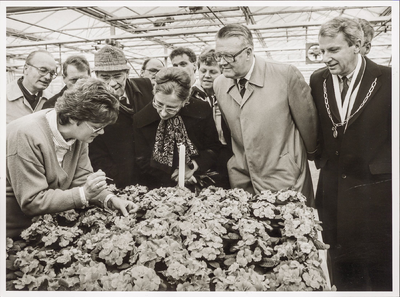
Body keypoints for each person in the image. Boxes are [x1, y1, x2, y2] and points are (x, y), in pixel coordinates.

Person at [309, 17, 392, 291]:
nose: (325, 58)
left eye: (333, 50)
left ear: (357, 45)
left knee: (378, 264)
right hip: (332, 189)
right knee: (339, 259)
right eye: (321, 51)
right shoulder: (318, 79)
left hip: (373, 191)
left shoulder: (387, 79)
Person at [6, 78, 138, 239]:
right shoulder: (26, 135)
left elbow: (81, 178)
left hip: (44, 229)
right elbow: (33, 201)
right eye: (97, 127)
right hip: (13, 235)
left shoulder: (78, 136)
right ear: (73, 117)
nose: (101, 132)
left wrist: (110, 199)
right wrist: (84, 193)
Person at [213, 24, 318, 205]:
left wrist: (309, 154)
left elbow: (308, 122)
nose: (221, 62)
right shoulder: (220, 84)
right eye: (218, 55)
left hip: (284, 176)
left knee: (292, 229)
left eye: (228, 56)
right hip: (242, 179)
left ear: (248, 52)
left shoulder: (285, 75)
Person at [132, 67, 221, 190]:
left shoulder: (202, 109)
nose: (163, 113)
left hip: (201, 179)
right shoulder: (141, 119)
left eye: (171, 108)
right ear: (154, 93)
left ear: (185, 101)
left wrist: (193, 166)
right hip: (160, 186)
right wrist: (176, 177)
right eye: (158, 104)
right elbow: (142, 160)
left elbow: (213, 148)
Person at [89, 45, 153, 189]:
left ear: (127, 72)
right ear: (96, 76)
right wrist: (115, 179)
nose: (112, 83)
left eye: (117, 76)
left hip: (152, 174)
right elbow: (95, 150)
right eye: (105, 77)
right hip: (120, 180)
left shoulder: (146, 87)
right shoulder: (92, 102)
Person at [191, 47, 232, 189]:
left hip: (226, 152)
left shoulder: (228, 94)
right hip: (202, 156)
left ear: (221, 72)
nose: (207, 75)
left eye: (213, 72)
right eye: (203, 71)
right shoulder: (191, 96)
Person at [6, 49, 57, 124]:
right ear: (26, 69)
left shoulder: (53, 102)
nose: (48, 77)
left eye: (52, 74)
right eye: (43, 70)